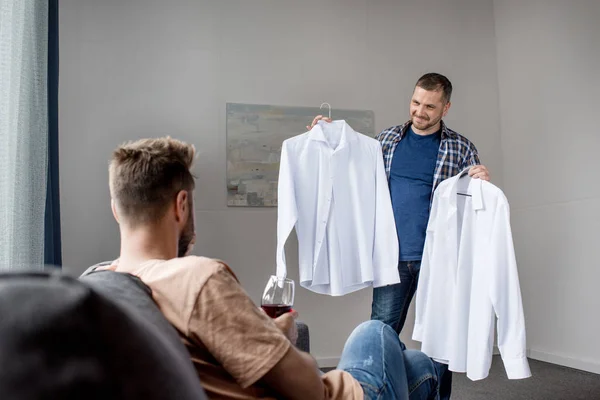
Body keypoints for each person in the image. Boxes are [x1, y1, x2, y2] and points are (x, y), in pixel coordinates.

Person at [100, 137, 451, 399]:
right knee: (376, 332)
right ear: (181, 205)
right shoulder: (198, 280)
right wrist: (280, 337)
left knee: (417, 366)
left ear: (116, 210)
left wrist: (256, 334)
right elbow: (309, 385)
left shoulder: (103, 285)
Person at [308, 73, 490, 335]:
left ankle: (434, 379)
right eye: (416, 102)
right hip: (392, 256)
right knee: (380, 332)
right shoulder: (386, 140)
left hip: (440, 256)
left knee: (440, 335)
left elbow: (474, 203)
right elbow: (350, 166)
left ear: (445, 108)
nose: (419, 112)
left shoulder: (461, 148)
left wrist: (481, 181)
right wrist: (329, 133)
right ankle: (382, 378)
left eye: (430, 106)